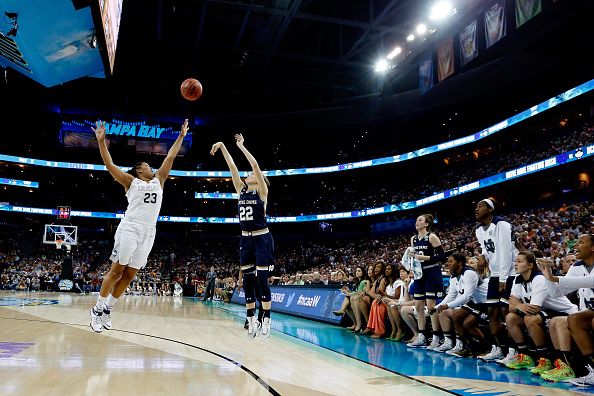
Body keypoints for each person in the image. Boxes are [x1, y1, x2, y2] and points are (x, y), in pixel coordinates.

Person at [89, 119, 189, 333]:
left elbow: (170, 157)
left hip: (149, 231)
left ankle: (108, 309)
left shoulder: (159, 180)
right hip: (130, 228)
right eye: (146, 166)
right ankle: (97, 310)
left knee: (130, 275)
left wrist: (180, 137)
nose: (151, 167)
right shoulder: (130, 181)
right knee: (116, 271)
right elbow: (109, 165)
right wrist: (101, 142)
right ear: (139, 171)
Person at [210, 133, 274, 340]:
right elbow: (232, 168)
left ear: (260, 179)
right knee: (247, 282)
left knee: (262, 280)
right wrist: (222, 146)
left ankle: (266, 318)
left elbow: (254, 165)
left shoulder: (262, 192)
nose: (248, 175)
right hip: (245, 239)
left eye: (253, 175)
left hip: (262, 238)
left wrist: (241, 147)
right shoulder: (241, 190)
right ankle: (251, 318)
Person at [504, 251, 577, 372]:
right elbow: (510, 308)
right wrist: (518, 305)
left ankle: (544, 359)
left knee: (530, 318)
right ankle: (525, 356)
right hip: (547, 311)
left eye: (519, 261)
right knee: (510, 318)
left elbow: (534, 309)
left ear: (530, 265)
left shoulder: (539, 279)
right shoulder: (517, 280)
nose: (515, 264)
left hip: (564, 312)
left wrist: (518, 304)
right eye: (515, 261)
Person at [539, 234, 594, 386]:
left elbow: (591, 281)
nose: (576, 245)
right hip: (588, 311)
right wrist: (546, 274)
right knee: (574, 319)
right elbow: (556, 292)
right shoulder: (577, 267)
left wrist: (555, 278)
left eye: (581, 242)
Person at [474, 198, 518, 361]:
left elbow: (506, 252)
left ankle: (514, 352)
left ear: (490, 209)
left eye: (480, 206)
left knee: (506, 312)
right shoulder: (479, 230)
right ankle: (498, 348)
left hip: (510, 274)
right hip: (494, 275)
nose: (476, 209)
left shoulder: (502, 225)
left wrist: (504, 278)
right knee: (492, 312)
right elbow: (486, 249)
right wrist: (483, 257)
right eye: (476, 207)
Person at [406, 214, 445, 348]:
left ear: (427, 224)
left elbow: (442, 257)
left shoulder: (431, 237)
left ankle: (436, 337)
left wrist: (425, 258)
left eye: (420, 220)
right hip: (419, 274)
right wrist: (412, 257)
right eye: (416, 220)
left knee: (431, 306)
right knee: (418, 306)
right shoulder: (414, 239)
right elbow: (415, 257)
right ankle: (422, 336)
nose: (417, 222)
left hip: (431, 272)